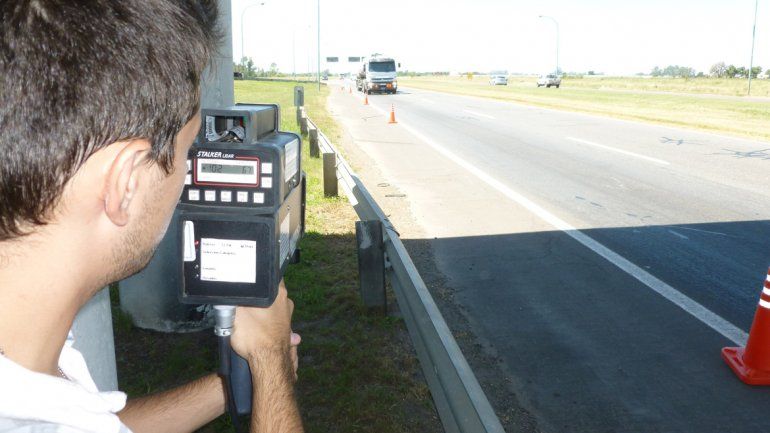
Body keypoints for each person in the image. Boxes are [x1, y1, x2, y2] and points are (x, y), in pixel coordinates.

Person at [0, 1, 303, 432]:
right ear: (125, 184)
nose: (184, 179)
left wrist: (232, 385)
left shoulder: (27, 342)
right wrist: (271, 360)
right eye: (186, 153)